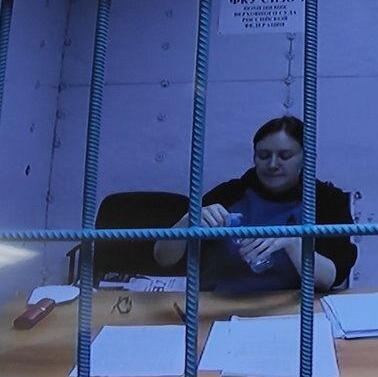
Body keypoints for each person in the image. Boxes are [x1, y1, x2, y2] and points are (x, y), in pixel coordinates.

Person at [152, 116, 357, 294]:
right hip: (221, 306)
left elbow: (330, 279)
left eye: (285, 156)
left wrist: (293, 243)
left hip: (294, 309)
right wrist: (186, 222)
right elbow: (163, 259)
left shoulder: (328, 201)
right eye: (263, 156)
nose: (273, 165)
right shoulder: (229, 194)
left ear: (306, 158)